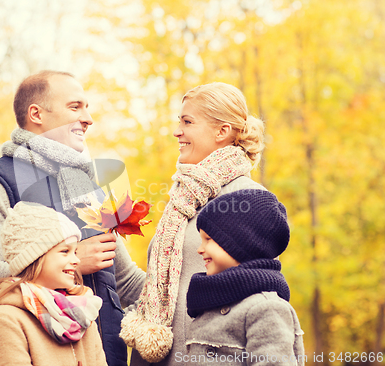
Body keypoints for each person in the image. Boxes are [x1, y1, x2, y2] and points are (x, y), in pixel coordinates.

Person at [0, 70, 145, 366]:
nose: (88, 118)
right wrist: (69, 262)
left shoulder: (87, 187)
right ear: (36, 114)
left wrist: (202, 295)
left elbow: (126, 282)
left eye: (87, 107)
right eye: (75, 107)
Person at [120, 82, 267, 365]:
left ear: (221, 131)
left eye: (187, 122)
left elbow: (261, 300)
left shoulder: (249, 199)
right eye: (179, 121)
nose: (177, 131)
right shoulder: (184, 198)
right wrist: (105, 234)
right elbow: (164, 292)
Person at [0, 201, 108, 366]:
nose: (76, 260)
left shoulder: (82, 315)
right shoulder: (6, 320)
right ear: (35, 258)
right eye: (65, 251)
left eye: (75, 252)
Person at [185, 190, 305, 365]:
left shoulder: (265, 308)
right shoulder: (212, 303)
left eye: (208, 239)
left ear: (240, 243)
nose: (200, 249)